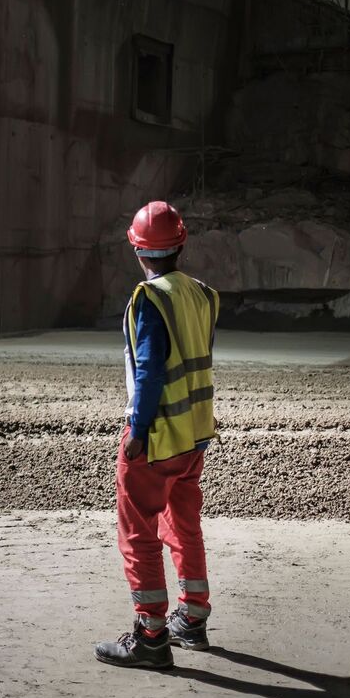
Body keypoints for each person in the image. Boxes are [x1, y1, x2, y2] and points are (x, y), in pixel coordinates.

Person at [95, 201, 220, 669]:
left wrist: (138, 431)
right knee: (183, 525)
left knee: (139, 533)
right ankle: (193, 618)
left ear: (137, 249)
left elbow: (148, 371)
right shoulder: (202, 294)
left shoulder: (151, 299)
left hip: (159, 437)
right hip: (195, 435)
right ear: (181, 244)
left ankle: (150, 636)